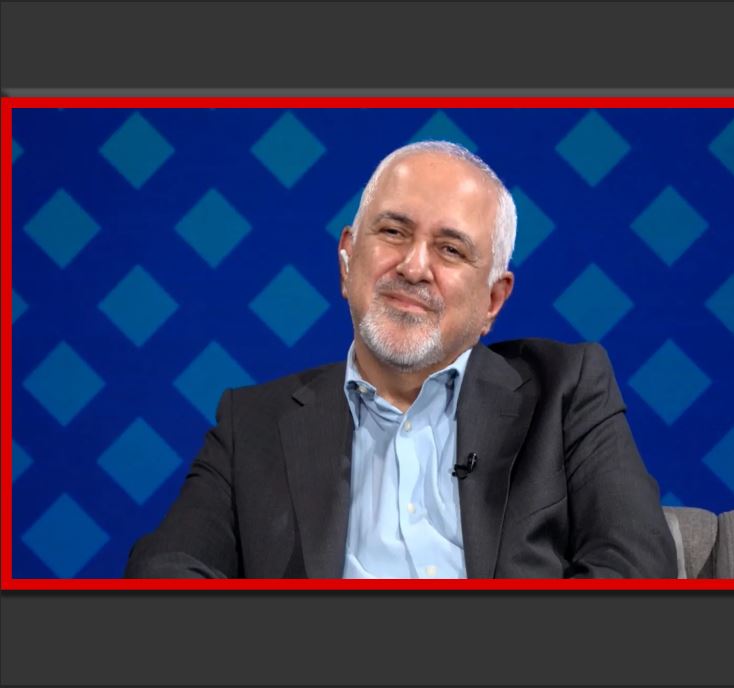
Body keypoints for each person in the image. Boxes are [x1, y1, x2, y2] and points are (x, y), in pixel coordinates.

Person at [125, 140, 677, 579]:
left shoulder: (567, 391)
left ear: (493, 300)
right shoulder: (252, 423)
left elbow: (634, 564)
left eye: (450, 249)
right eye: (393, 232)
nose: (413, 267)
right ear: (347, 261)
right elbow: (167, 569)